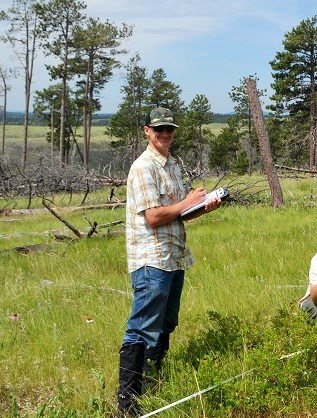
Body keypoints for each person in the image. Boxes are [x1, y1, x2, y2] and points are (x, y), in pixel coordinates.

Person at [117, 107, 222, 416]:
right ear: (146, 131)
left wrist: (203, 207)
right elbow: (153, 217)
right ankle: (127, 405)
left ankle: (152, 385)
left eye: (170, 129)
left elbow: (178, 213)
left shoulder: (172, 165)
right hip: (152, 258)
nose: (165, 133)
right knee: (141, 328)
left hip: (174, 257)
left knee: (166, 323)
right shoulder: (144, 167)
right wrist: (188, 201)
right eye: (159, 128)